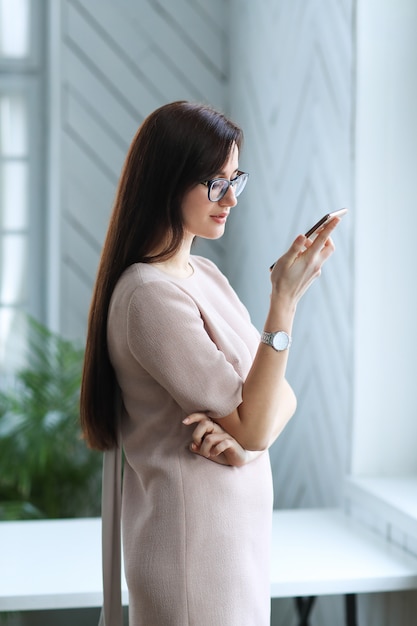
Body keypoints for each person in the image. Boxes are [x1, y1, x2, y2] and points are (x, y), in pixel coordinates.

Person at [80, 101, 341, 626]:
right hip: (191, 558)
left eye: (234, 180)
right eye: (214, 183)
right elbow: (260, 420)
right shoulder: (148, 296)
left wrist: (245, 444)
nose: (230, 199)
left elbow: (278, 400)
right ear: (168, 181)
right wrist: (283, 303)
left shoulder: (204, 275)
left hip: (231, 550)